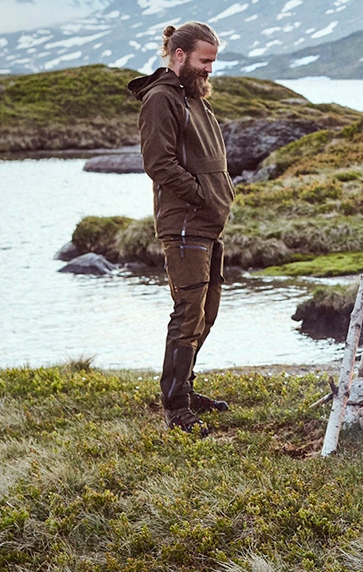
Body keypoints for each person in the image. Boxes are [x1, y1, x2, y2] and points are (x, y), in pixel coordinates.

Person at [128, 22, 234, 435]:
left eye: (212, 62)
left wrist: (219, 194)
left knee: (206, 313)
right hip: (186, 224)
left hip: (207, 223)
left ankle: (185, 391)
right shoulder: (160, 99)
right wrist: (201, 195)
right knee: (188, 312)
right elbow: (158, 163)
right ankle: (175, 408)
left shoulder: (194, 98)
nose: (209, 69)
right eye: (204, 61)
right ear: (179, 55)